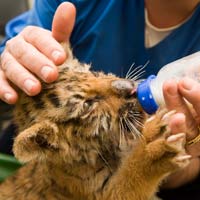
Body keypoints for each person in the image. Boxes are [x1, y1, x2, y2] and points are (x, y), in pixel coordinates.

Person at [1, 0, 200, 199]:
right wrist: (9, 67)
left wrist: (182, 151)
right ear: (47, 143)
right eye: (88, 105)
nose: (122, 85)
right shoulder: (68, 158)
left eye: (92, 73)